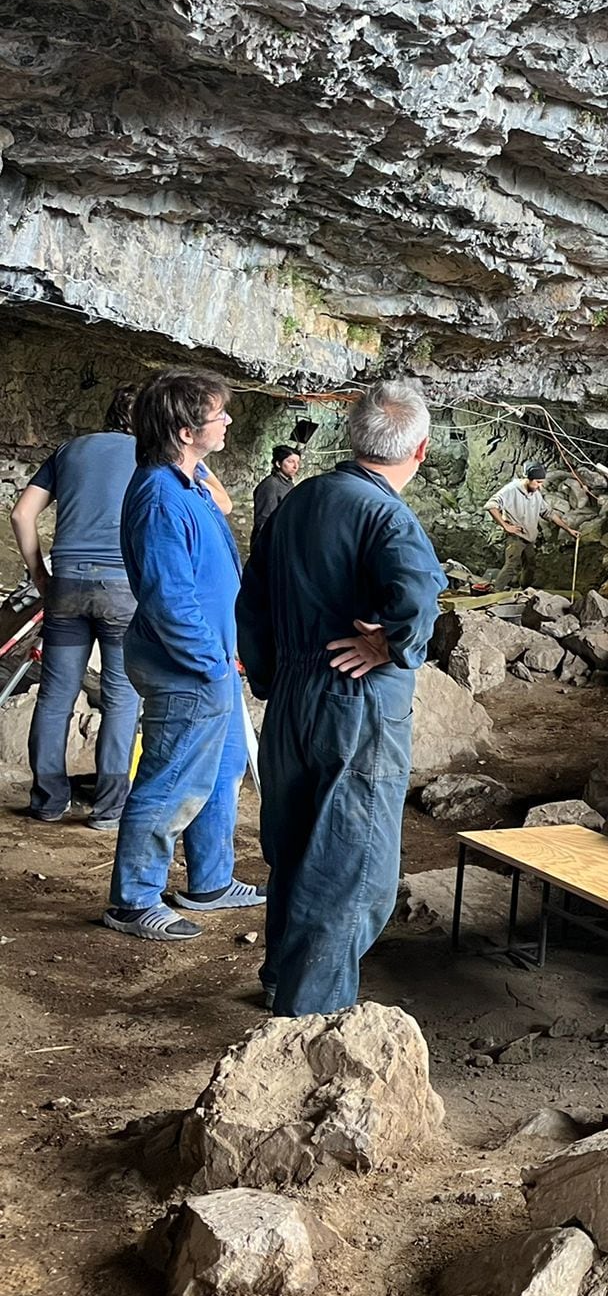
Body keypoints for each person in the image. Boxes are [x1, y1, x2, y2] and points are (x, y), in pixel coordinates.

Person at [237, 382, 442, 1015]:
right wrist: (393, 646)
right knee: (351, 869)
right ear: (422, 450)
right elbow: (417, 598)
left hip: (294, 698)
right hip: (354, 702)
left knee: (297, 846)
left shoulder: (301, 501)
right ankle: (309, 1021)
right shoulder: (387, 516)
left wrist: (274, 679)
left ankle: (282, 975)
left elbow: (253, 599)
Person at [104, 370, 263, 941]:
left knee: (220, 774)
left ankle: (210, 883)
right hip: (187, 667)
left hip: (210, 661)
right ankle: (132, 900)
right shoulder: (158, 495)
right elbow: (168, 597)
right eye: (217, 413)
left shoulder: (188, 482)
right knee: (171, 782)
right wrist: (211, 660)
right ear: (182, 427)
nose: (226, 421)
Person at [11, 386, 141, 829]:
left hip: (66, 581)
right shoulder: (154, 454)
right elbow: (215, 503)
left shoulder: (70, 450)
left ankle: (48, 801)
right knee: (122, 697)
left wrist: (38, 575)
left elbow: (21, 513)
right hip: (123, 586)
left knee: (55, 695)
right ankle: (108, 810)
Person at [485, 462, 579, 591]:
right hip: (516, 537)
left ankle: (524, 590)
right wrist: (505, 526)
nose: (540, 486)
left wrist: (568, 530)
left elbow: (548, 513)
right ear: (528, 479)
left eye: (541, 482)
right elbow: (491, 505)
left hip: (529, 538)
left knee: (530, 566)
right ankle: (495, 592)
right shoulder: (511, 490)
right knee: (511, 566)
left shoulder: (535, 493)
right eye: (538, 482)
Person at [251, 443, 302, 542]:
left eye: (298, 462)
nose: (295, 466)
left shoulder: (288, 483)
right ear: (278, 463)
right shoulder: (270, 485)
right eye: (290, 462)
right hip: (269, 540)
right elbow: (264, 521)